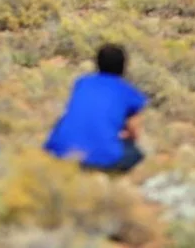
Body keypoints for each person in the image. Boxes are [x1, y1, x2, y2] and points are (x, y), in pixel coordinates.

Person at [43, 43, 148, 173]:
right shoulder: (128, 92)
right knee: (136, 154)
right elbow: (134, 132)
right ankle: (108, 180)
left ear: (97, 63)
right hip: (100, 159)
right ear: (123, 66)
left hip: (59, 152)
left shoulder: (82, 83)